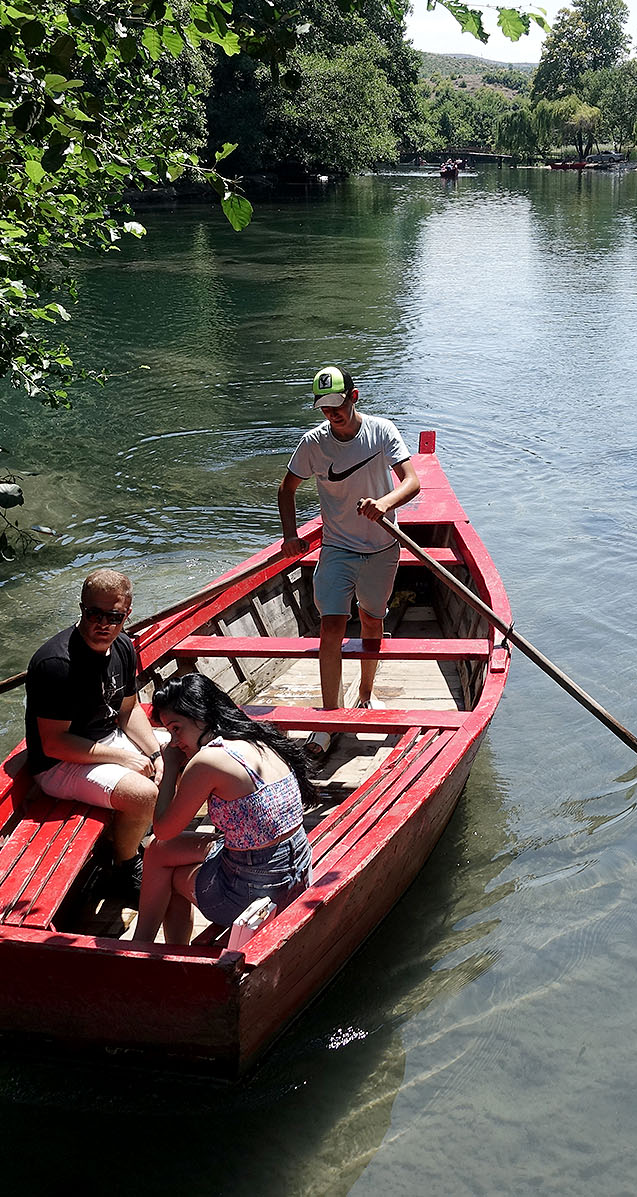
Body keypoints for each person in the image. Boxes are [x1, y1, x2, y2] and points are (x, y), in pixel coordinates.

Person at [277, 365, 422, 753]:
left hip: (381, 547)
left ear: (353, 397)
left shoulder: (382, 431)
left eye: (337, 406)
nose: (331, 415)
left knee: (373, 620)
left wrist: (384, 504)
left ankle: (366, 693)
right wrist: (290, 536)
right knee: (331, 626)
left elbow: (412, 481)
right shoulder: (312, 444)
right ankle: (329, 716)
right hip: (337, 547)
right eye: (323, 408)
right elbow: (287, 489)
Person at [131, 673, 318, 944]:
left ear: (200, 716)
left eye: (176, 728)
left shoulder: (209, 760)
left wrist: (169, 767)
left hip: (255, 891)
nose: (173, 741)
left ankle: (150, 949)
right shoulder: (258, 737)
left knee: (167, 873)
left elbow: (163, 829)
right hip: (296, 866)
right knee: (157, 851)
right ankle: (145, 945)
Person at [22, 569, 162, 866]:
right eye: (94, 614)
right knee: (144, 794)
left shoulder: (123, 646)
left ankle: (134, 832)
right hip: (60, 764)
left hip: (106, 741)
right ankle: (125, 867)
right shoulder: (57, 664)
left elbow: (129, 710)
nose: (103, 624)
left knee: (184, 751)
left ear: (127, 614)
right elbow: (54, 745)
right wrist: (123, 759)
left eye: (114, 616)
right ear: (82, 608)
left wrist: (155, 753)